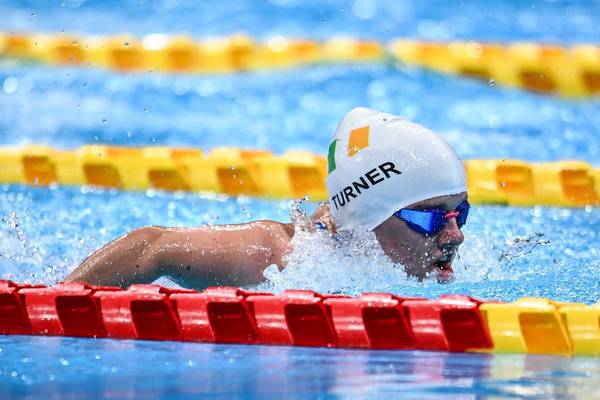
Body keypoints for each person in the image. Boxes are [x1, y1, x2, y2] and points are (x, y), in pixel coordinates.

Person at [65, 108, 468, 288]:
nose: (455, 236)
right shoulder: (283, 259)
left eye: (459, 214)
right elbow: (151, 246)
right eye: (432, 218)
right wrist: (51, 305)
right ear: (370, 216)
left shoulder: (407, 248)